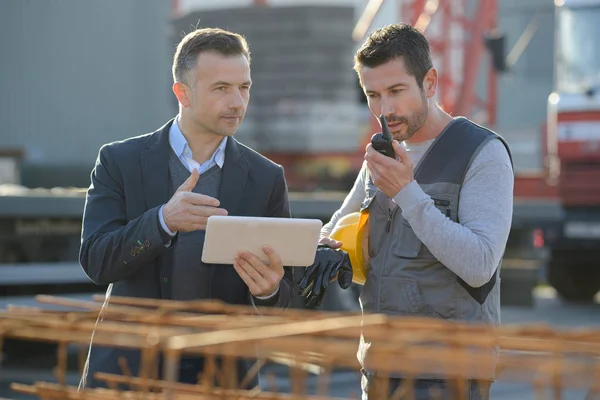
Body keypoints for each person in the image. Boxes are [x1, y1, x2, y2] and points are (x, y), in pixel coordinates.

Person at [302, 23, 514, 399]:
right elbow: (337, 227)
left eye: (396, 91)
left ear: (429, 83)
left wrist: (407, 192)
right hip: (380, 369)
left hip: (447, 376)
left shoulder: (482, 153)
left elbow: (481, 265)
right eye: (373, 95)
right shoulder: (382, 155)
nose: (385, 110)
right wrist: (318, 247)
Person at [78, 27, 295, 389]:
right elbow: (97, 262)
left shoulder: (266, 177)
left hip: (223, 378)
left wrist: (269, 291)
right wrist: (163, 221)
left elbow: (286, 293)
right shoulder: (119, 161)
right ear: (183, 93)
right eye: (221, 88)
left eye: (244, 87)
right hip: (129, 373)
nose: (237, 102)